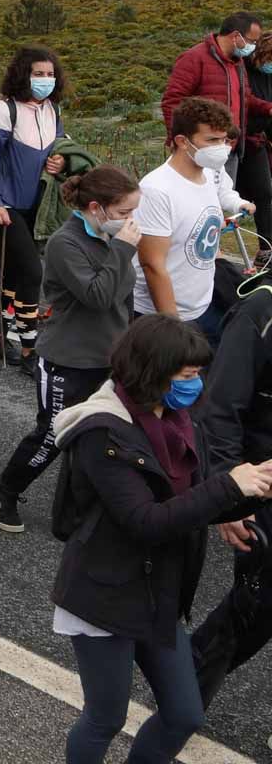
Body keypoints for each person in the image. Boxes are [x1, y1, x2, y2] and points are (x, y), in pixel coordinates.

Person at [48, 315, 272, 763]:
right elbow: (145, 519)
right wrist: (230, 486)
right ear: (154, 371)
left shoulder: (181, 421)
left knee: (184, 713)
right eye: (188, 376)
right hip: (105, 593)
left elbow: (196, 496)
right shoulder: (103, 432)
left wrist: (249, 496)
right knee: (105, 718)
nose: (197, 384)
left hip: (159, 591)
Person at [0, 166, 142, 534]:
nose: (130, 221)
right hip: (67, 361)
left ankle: (75, 508)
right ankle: (6, 489)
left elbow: (123, 297)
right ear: (96, 208)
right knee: (53, 435)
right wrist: (122, 250)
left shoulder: (111, 238)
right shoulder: (65, 243)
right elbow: (99, 296)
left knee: (100, 436)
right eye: (123, 213)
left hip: (109, 359)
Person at [191, 267, 272, 705]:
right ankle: (185, 688)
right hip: (262, 484)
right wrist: (231, 498)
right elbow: (219, 410)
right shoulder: (260, 310)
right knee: (255, 607)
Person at [0, 47, 69, 362]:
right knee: (31, 271)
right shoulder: (4, 110)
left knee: (12, 273)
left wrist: (60, 160)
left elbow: (62, 146)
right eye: (38, 73)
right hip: (4, 207)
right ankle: (29, 349)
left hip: (35, 206)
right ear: (23, 74)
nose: (45, 79)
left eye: (50, 73)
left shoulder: (52, 109)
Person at [136, 96, 253, 341]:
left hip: (203, 303)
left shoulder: (210, 174)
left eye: (224, 139)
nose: (222, 147)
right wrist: (173, 329)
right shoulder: (157, 190)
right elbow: (153, 265)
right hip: (168, 314)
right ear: (182, 141)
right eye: (211, 140)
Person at [162, 12, 272, 224]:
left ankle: (214, 252)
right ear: (235, 36)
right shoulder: (195, 58)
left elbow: (245, 97)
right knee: (201, 203)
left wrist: (268, 108)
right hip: (199, 148)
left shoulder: (237, 63)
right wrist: (177, 141)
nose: (253, 46)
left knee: (220, 200)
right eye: (251, 40)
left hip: (228, 147)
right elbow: (172, 100)